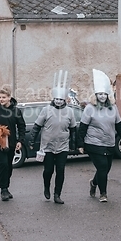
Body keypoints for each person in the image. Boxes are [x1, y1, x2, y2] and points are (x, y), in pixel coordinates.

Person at [77, 69, 121, 203]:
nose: (102, 96)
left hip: (109, 143)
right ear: (96, 95)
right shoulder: (90, 108)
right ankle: (103, 193)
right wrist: (80, 144)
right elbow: (82, 127)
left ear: (108, 95)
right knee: (102, 167)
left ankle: (94, 183)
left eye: (104, 94)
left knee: (105, 169)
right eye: (99, 94)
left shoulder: (113, 108)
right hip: (93, 143)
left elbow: (119, 125)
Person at [30, 70, 77, 204]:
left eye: (60, 99)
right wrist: (32, 141)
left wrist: (75, 145)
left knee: (60, 171)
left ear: (64, 100)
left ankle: (57, 194)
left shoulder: (70, 112)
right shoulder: (46, 110)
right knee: (48, 170)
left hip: (62, 146)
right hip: (48, 147)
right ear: (53, 99)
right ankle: (46, 186)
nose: (58, 101)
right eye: (56, 99)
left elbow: (73, 129)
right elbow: (37, 126)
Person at [0, 86, 26, 201]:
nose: (1, 99)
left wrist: (20, 140)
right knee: (3, 164)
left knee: (9, 165)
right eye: (0, 97)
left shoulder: (16, 111)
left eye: (3, 97)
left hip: (11, 142)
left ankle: (6, 187)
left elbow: (21, 126)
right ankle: (3, 189)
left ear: (9, 97)